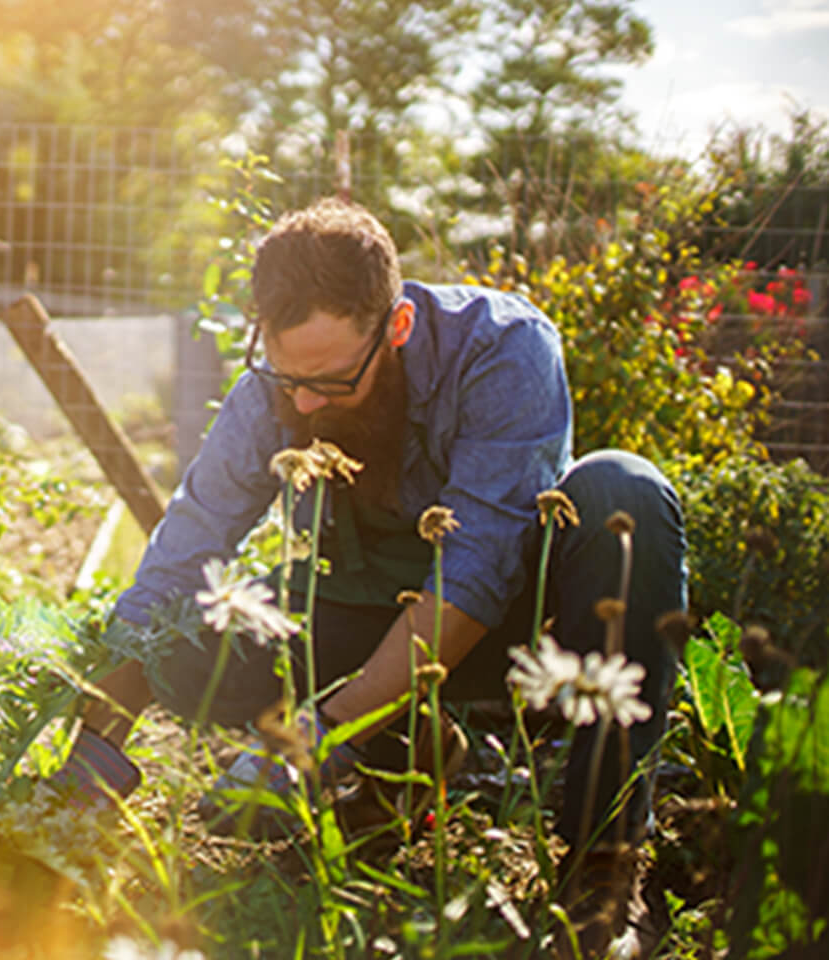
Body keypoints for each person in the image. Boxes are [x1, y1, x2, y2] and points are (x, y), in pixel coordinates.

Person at [44, 198, 687, 958]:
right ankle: (408, 763)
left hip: (516, 634)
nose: (304, 402)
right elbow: (186, 547)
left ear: (398, 327)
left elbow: (477, 572)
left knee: (624, 495)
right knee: (180, 648)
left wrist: (318, 736)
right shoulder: (277, 387)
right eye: (287, 377)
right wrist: (91, 747)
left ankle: (602, 870)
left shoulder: (503, 349)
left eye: (332, 381)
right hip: (363, 613)